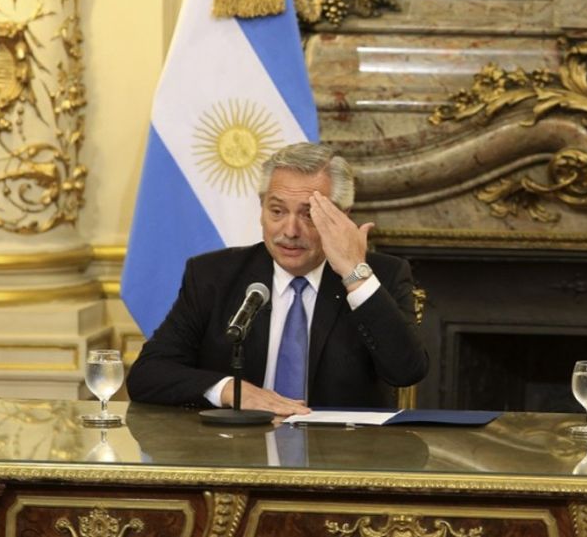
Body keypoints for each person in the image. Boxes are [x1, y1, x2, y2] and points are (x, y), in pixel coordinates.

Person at [127, 143, 428, 416]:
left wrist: (354, 273)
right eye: (277, 211)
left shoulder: (381, 276)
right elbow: (148, 374)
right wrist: (231, 390)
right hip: (237, 457)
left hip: (342, 459)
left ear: (342, 217)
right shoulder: (213, 276)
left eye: (309, 214)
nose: (290, 230)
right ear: (261, 210)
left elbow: (406, 371)